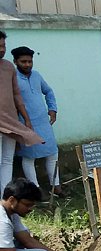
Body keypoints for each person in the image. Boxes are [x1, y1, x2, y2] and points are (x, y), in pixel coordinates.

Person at [0, 178, 71, 251]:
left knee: (22, 240)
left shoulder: (11, 213)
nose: (30, 209)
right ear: (12, 200)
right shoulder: (2, 222)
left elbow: (27, 240)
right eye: (27, 205)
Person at [11, 46, 63, 197]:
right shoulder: (12, 78)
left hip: (43, 122)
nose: (27, 64)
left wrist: (52, 109)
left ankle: (57, 187)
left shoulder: (37, 76)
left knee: (52, 153)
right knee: (29, 157)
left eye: (30, 61)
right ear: (15, 61)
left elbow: (48, 91)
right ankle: (36, 189)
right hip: (24, 123)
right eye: (23, 61)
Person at [0, 31, 42, 192]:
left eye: (3, 45)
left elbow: (16, 94)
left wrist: (26, 120)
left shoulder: (8, 67)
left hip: (10, 120)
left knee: (7, 160)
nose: (2, 49)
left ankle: (5, 194)